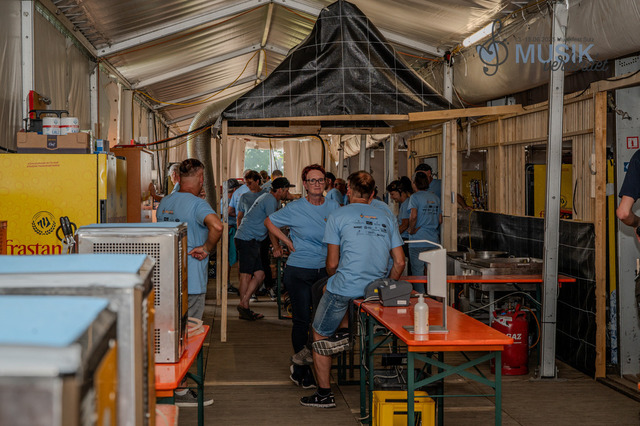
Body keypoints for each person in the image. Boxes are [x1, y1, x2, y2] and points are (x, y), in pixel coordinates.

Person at [300, 171, 405, 408]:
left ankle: (324, 393)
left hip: (345, 288)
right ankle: (346, 332)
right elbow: (399, 262)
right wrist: (386, 287)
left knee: (319, 333)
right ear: (373, 194)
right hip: (373, 293)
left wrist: (337, 278)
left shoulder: (337, 215)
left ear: (348, 190)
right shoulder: (387, 217)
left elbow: (332, 264)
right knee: (334, 295)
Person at [265, 164, 340, 390]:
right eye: (312, 180)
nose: (317, 184)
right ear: (305, 184)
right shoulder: (295, 207)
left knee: (322, 322)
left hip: (325, 271)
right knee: (302, 320)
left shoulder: (334, 207)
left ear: (326, 183)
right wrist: (285, 242)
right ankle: (301, 369)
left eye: (320, 180)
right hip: (299, 270)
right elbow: (269, 222)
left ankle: (318, 363)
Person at [156, 158, 223, 408]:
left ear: (178, 177)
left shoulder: (165, 202)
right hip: (191, 281)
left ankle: (167, 385)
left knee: (169, 335)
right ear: (201, 178)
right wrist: (207, 248)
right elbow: (217, 226)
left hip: (167, 278)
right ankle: (181, 389)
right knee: (189, 337)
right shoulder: (197, 204)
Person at [235, 177, 295, 320]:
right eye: (286, 191)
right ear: (280, 190)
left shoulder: (270, 198)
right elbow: (270, 225)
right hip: (246, 238)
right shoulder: (270, 200)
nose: (287, 193)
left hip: (252, 239)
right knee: (246, 275)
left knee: (260, 275)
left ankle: (244, 304)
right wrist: (276, 246)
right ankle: (244, 308)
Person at [408, 171, 442, 291]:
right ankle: (437, 299)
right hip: (433, 241)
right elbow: (440, 220)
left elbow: (413, 216)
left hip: (417, 241)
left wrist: (411, 230)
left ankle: (421, 297)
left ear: (414, 183)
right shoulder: (435, 198)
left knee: (418, 272)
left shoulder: (414, 197)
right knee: (434, 274)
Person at [387, 178, 413, 272]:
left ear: (400, 191)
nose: (392, 197)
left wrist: (392, 236)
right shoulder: (404, 204)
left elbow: (405, 225)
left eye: (393, 194)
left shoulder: (406, 204)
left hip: (405, 240)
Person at [221, 178, 242, 294]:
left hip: (229, 229)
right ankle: (227, 284)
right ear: (235, 189)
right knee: (229, 258)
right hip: (229, 230)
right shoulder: (228, 200)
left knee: (228, 258)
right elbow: (229, 212)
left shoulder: (224, 199)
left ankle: (227, 283)